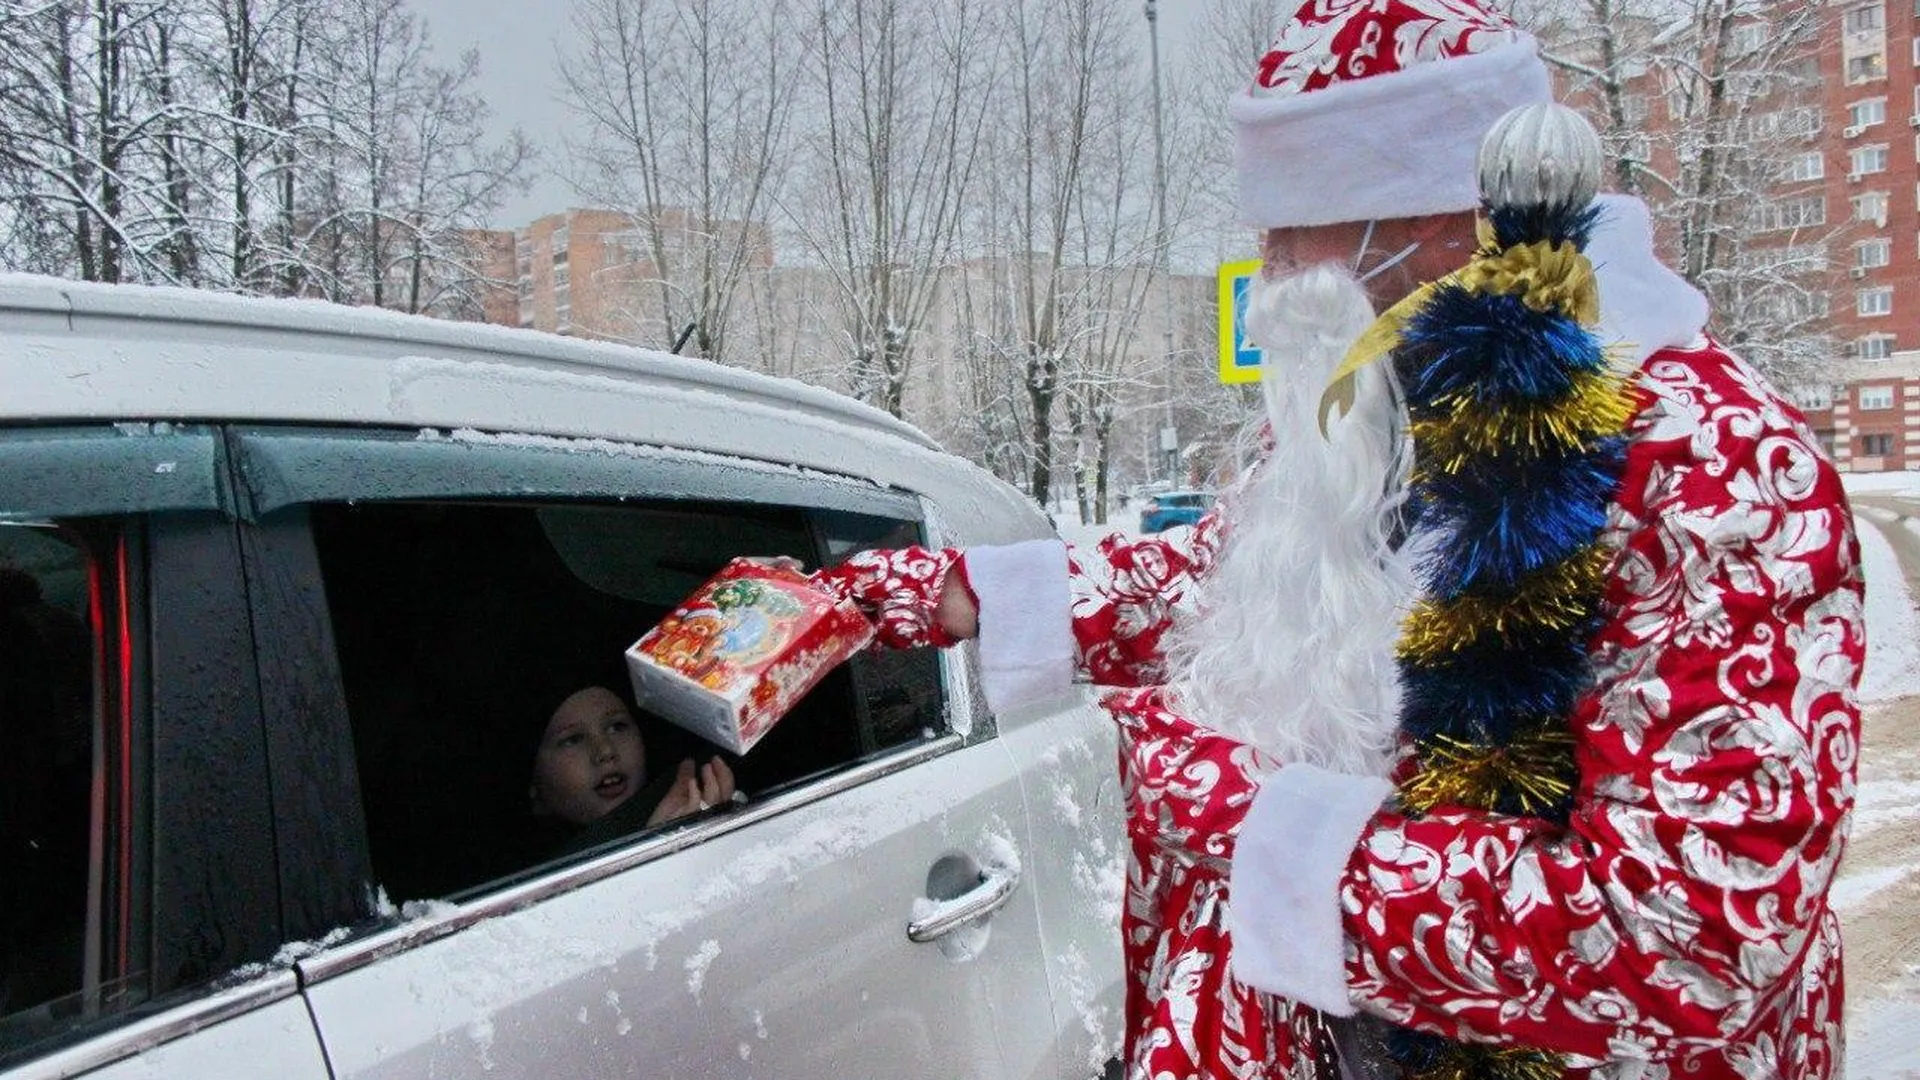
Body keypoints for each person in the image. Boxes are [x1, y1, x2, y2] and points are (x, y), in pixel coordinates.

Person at [812, 2, 1864, 1078]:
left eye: (1293, 226)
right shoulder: (1378, 403)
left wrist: (1232, 809)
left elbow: (1690, 943)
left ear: (1435, 223)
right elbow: (1238, 584)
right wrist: (937, 594)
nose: (1265, 273)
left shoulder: (1705, 467)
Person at [529, 685, 736, 857]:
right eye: (573, 740)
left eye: (617, 727)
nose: (605, 751)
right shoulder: (530, 889)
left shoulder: (700, 795)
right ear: (535, 789)